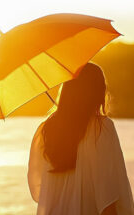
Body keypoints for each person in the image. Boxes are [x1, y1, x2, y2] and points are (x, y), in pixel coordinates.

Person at [27, 62, 134, 215]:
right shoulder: (102, 128)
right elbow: (108, 193)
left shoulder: (46, 129)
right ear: (97, 92)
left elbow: (37, 189)